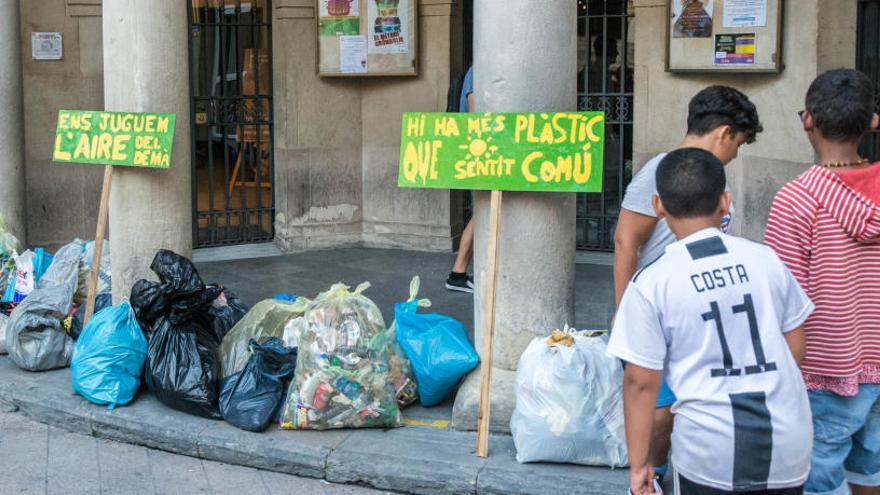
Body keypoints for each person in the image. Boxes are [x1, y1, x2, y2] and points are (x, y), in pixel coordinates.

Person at [609, 148, 814, 495]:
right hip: (787, 440)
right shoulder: (766, 260)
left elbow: (640, 383)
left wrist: (640, 464)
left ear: (658, 207)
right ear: (725, 202)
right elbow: (796, 348)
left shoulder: (651, 283)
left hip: (708, 449)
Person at [612, 85, 762, 482]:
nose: (736, 153)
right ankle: (650, 474)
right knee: (660, 408)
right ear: (724, 133)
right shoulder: (661, 172)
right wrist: (626, 314)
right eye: (739, 143)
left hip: (703, 304)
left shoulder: (714, 178)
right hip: (661, 306)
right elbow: (626, 241)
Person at [764, 68, 880, 495]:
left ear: (807, 119)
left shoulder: (796, 200)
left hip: (823, 370)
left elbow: (782, 301)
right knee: (871, 472)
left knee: (818, 479)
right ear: (872, 121)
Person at [446, 66, 475, 293]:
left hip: (482, 150)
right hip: (480, 151)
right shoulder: (479, 72)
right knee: (483, 213)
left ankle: (459, 272)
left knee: (483, 213)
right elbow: (476, 115)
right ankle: (458, 272)